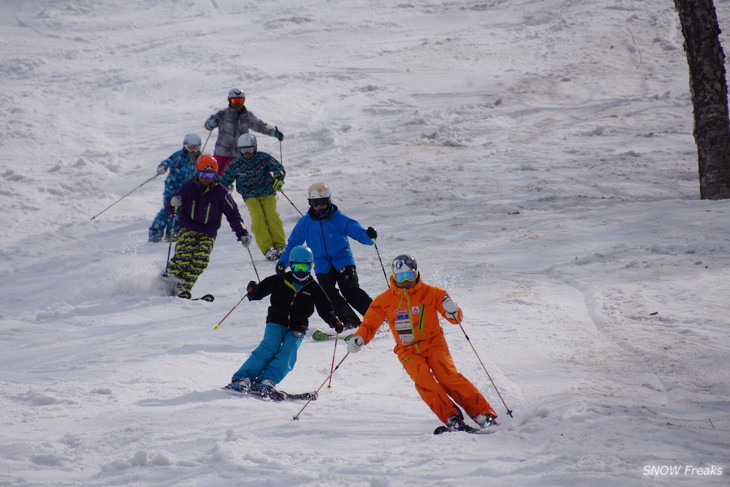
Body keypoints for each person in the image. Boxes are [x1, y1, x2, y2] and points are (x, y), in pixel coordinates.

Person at [347, 254, 498, 431]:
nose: (404, 281)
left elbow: (455, 319)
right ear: (393, 276)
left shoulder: (433, 293)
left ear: (416, 273)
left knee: (448, 376)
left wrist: (453, 311)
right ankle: (451, 417)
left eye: (408, 276)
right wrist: (360, 338)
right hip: (407, 350)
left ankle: (482, 413)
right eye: (400, 277)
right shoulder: (385, 300)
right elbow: (370, 324)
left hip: (434, 343)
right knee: (424, 381)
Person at [226, 245, 344, 396]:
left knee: (288, 353)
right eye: (297, 266)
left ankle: (266, 380)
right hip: (276, 320)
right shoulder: (280, 280)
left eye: (305, 266)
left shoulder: (314, 288)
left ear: (311, 266)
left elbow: (325, 308)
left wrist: (334, 321)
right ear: (291, 265)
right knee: (269, 347)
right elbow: (259, 292)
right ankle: (242, 378)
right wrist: (253, 291)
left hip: (298, 326)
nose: (300, 271)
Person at [275, 182, 377, 330]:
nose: (319, 207)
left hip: (343, 261)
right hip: (322, 265)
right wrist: (283, 262)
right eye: (315, 203)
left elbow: (359, 233)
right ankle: (351, 322)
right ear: (310, 203)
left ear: (329, 201)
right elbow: (293, 244)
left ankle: (375, 317)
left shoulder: (339, 219)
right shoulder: (305, 223)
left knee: (350, 290)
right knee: (328, 294)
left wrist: (369, 237)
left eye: (323, 203)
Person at [164, 155, 252, 298]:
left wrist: (242, 232)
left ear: (215, 174)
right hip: (188, 227)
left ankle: (182, 287)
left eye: (210, 174)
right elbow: (171, 207)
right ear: (197, 172)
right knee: (185, 254)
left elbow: (233, 213)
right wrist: (172, 203)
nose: (206, 178)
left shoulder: (221, 192)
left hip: (208, 232)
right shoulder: (188, 187)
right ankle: (167, 281)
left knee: (201, 258)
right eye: (203, 174)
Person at [220, 134, 287, 261]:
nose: (247, 153)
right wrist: (222, 191)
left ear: (255, 148)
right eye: (244, 150)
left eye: (250, 149)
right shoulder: (235, 165)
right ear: (239, 150)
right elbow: (225, 180)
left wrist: (279, 178)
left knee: (272, 215)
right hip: (250, 195)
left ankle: (281, 245)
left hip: (267, 191)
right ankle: (267, 248)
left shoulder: (263, 158)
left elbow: (279, 168)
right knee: (258, 219)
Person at [203, 88, 284, 175]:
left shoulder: (247, 116)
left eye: (240, 100)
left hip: (237, 153)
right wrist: (211, 123)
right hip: (221, 151)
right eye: (235, 100)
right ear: (230, 101)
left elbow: (260, 125)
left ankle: (226, 187)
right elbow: (207, 125)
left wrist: (273, 132)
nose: (238, 103)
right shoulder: (222, 114)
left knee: (226, 173)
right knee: (214, 173)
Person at [148, 133, 200, 242]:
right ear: (185, 146)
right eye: (191, 148)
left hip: (186, 191)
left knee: (180, 212)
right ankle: (155, 233)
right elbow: (168, 161)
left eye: (196, 148)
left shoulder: (199, 159)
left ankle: (172, 233)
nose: (193, 151)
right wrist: (163, 167)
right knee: (168, 210)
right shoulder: (179, 156)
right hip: (172, 188)